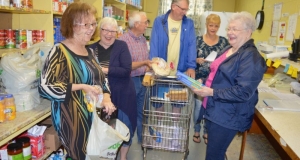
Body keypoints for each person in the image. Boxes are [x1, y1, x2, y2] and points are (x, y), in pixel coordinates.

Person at [38, 3, 116, 159]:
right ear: (72, 25)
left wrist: (106, 98)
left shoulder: (90, 52)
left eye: (93, 24)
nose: (91, 28)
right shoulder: (59, 51)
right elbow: (45, 87)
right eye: (86, 24)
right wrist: (81, 87)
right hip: (72, 121)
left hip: (93, 117)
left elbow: (102, 80)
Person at [192, 11, 267, 160]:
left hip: (228, 116)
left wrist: (212, 92)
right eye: (229, 29)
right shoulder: (229, 49)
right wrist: (204, 81)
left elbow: (243, 91)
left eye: (235, 29)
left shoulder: (251, 57)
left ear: (248, 32)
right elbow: (217, 72)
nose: (230, 33)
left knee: (214, 155)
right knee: (214, 151)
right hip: (215, 109)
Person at [89, 17, 137, 160]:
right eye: (106, 30)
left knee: (126, 126)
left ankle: (123, 157)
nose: (109, 34)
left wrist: (103, 69)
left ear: (117, 33)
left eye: (113, 31)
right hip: (102, 97)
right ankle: (109, 156)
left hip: (123, 94)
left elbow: (126, 70)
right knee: (107, 130)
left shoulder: (121, 46)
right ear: (100, 30)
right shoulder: (90, 49)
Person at [149, 0, 196, 115]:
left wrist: (191, 66)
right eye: (183, 9)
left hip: (179, 72)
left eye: (186, 9)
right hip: (161, 71)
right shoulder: (159, 21)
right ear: (174, 6)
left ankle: (175, 131)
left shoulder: (188, 23)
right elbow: (154, 44)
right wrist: (153, 66)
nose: (185, 12)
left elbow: (192, 45)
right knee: (159, 102)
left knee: (177, 104)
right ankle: (159, 130)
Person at [193, 14, 229, 144]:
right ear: (206, 25)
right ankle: (196, 130)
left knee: (211, 107)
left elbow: (228, 59)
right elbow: (190, 59)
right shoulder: (197, 40)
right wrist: (196, 60)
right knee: (198, 107)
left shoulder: (224, 42)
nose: (213, 28)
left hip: (215, 81)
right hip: (199, 79)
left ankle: (207, 131)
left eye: (216, 26)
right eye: (211, 25)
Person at [119, 11, 151, 144]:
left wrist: (150, 65)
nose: (147, 25)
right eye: (145, 22)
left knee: (142, 111)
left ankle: (142, 138)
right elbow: (125, 66)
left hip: (144, 80)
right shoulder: (123, 41)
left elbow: (146, 59)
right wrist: (144, 63)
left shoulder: (143, 39)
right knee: (128, 114)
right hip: (130, 82)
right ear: (136, 24)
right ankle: (126, 141)